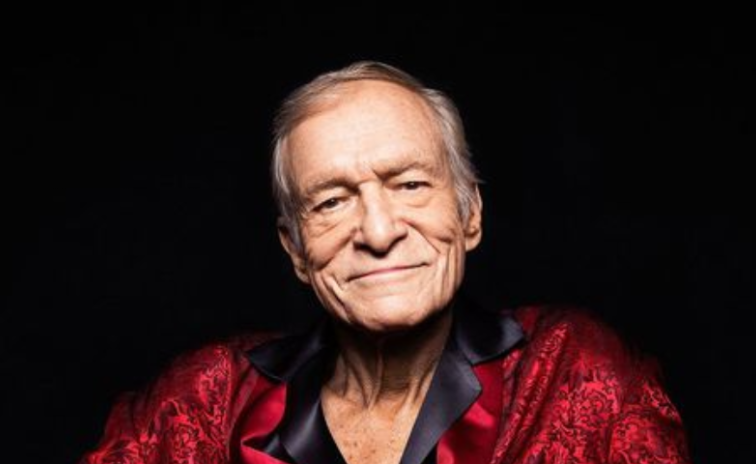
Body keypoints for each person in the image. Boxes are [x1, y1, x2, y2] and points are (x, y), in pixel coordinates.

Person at [79, 60, 691, 464]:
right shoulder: (202, 402)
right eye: (331, 201)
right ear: (295, 249)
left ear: (470, 215)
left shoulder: (575, 374)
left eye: (410, 185)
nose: (377, 231)